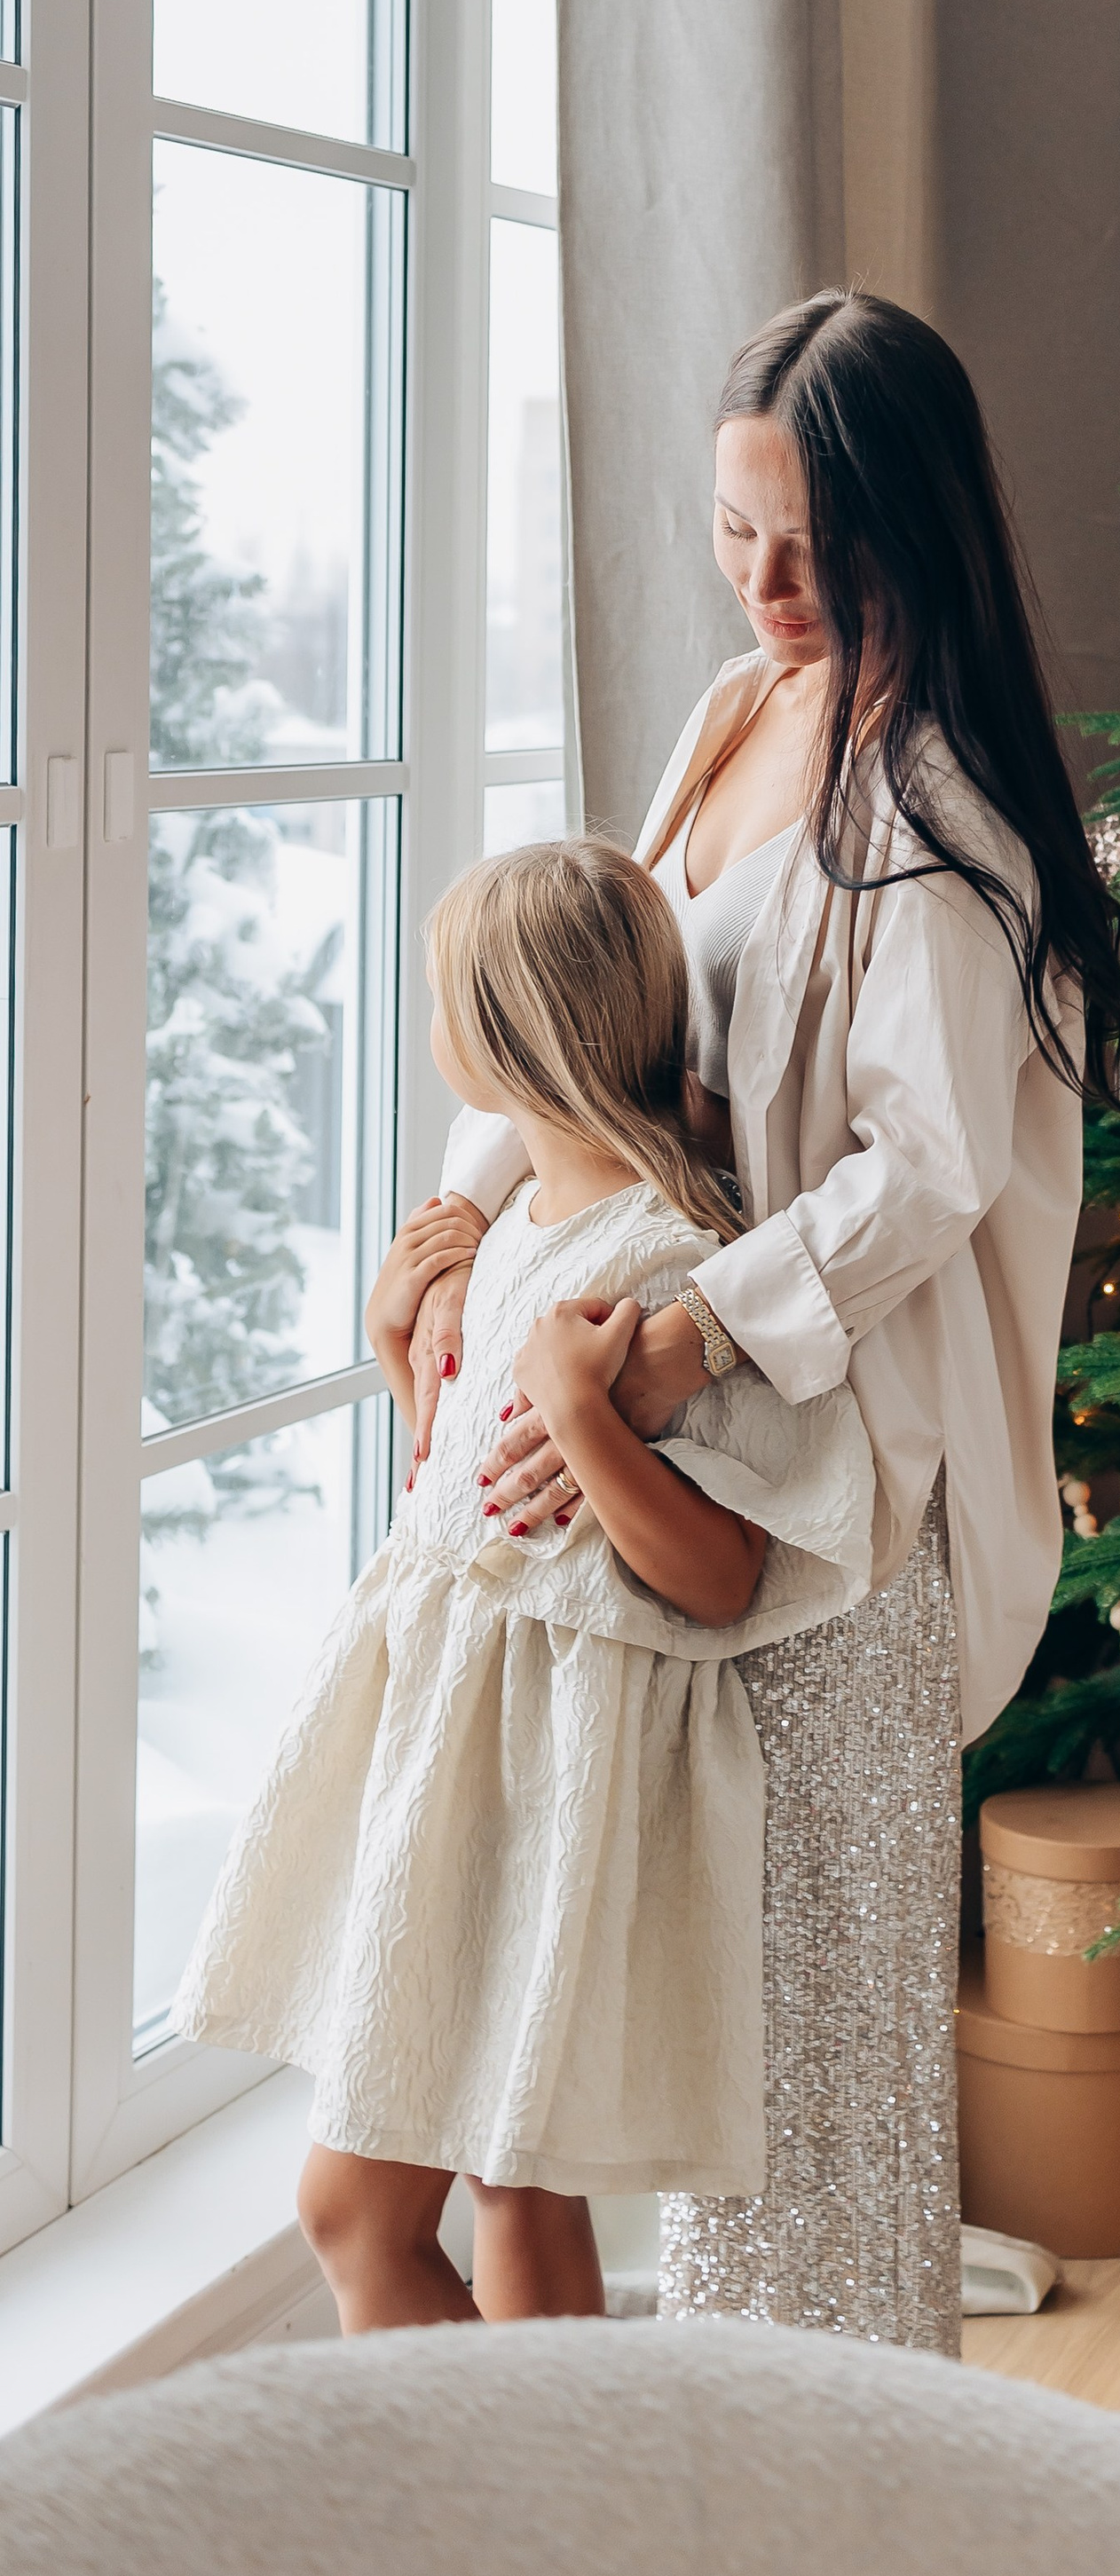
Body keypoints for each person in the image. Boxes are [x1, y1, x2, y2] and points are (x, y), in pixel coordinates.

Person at [407, 291, 1120, 2352]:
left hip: (843, 1499)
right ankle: (721, 2502)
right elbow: (593, 1010)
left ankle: (846, 2522)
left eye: (813, 541)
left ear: (918, 527)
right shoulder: (733, 718)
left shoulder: (944, 820)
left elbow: (926, 1177)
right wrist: (448, 1224)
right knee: (724, 2058)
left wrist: (682, 1342)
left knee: (819, 2101)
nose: (770, 583)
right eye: (735, 533)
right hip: (691, 1471)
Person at [176, 841, 876, 2334]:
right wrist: (402, 1356)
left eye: (445, 1011)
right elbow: (473, 1503)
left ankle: (526, 2524)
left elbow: (715, 1580)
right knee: (420, 2198)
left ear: (503, 1043)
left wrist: (581, 1412)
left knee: (494, 2185)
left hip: (557, 1769)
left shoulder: (668, 1264)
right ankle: (512, 2525)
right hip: (453, 1747)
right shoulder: (507, 1244)